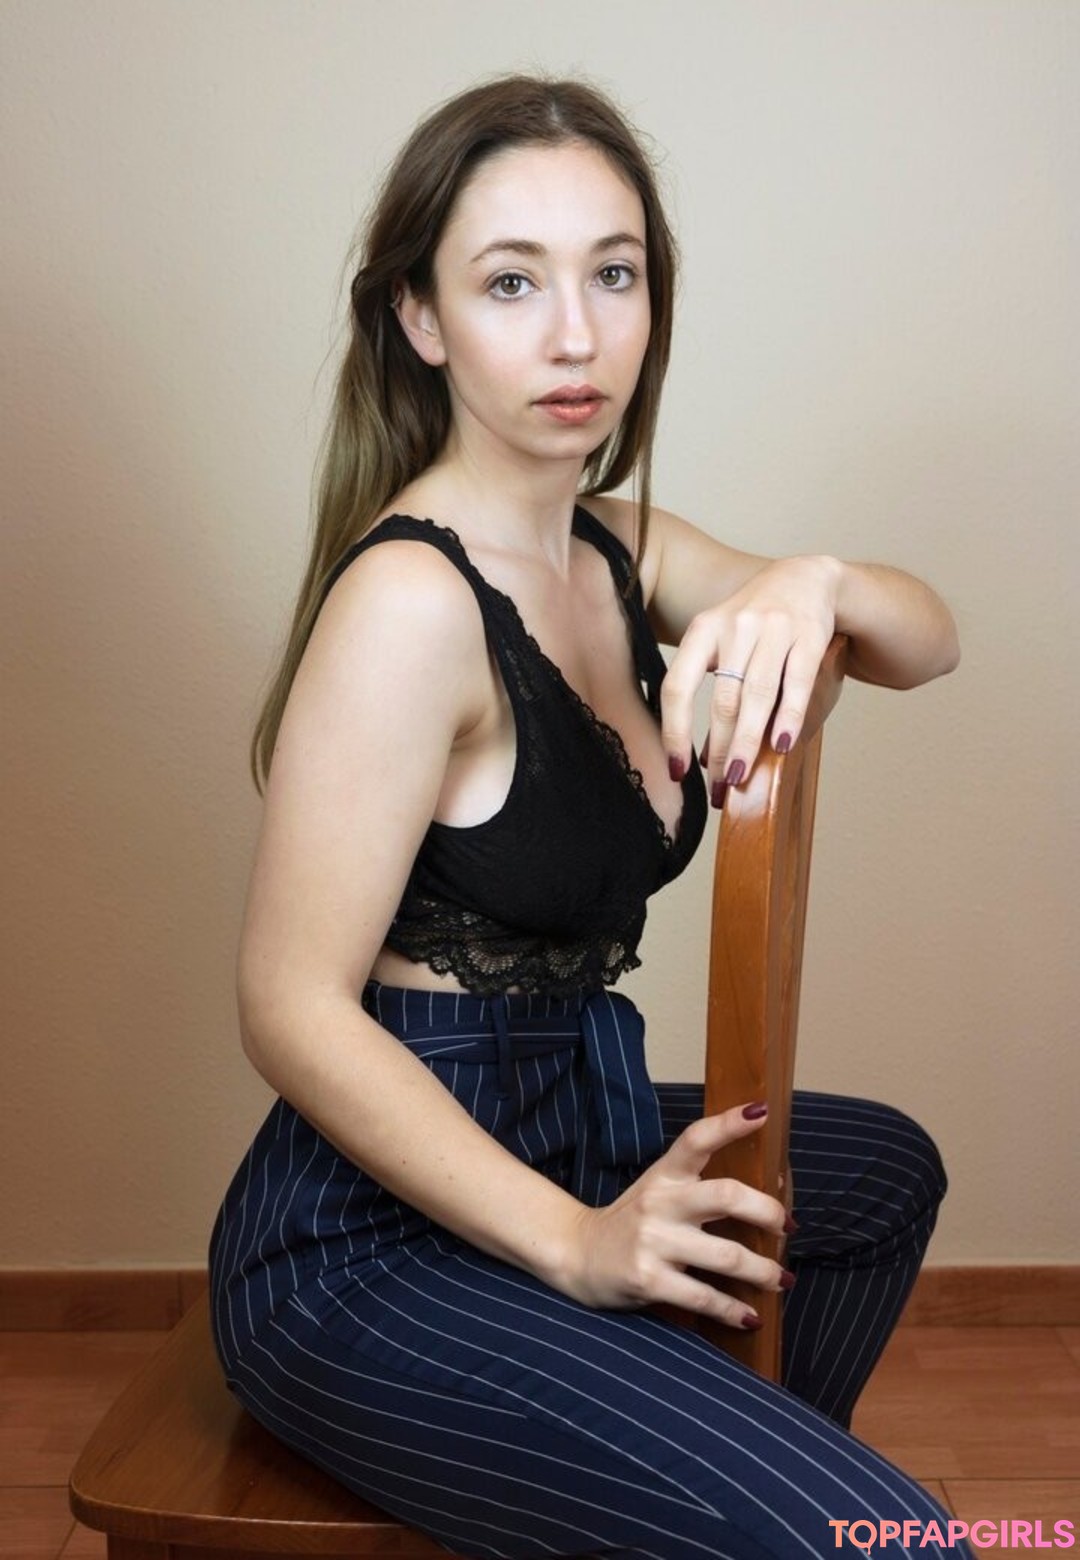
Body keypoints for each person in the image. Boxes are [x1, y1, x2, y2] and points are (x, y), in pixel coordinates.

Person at [209, 75, 967, 1560]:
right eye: (512, 283)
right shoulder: (412, 602)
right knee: (888, 1538)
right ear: (421, 317)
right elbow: (286, 1007)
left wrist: (813, 580)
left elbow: (927, 641)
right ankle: (767, 1510)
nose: (577, 334)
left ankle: (702, 1495)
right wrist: (576, 1241)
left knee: (882, 1172)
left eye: (614, 275)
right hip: (367, 1243)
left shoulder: (619, 549)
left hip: (577, 1121)